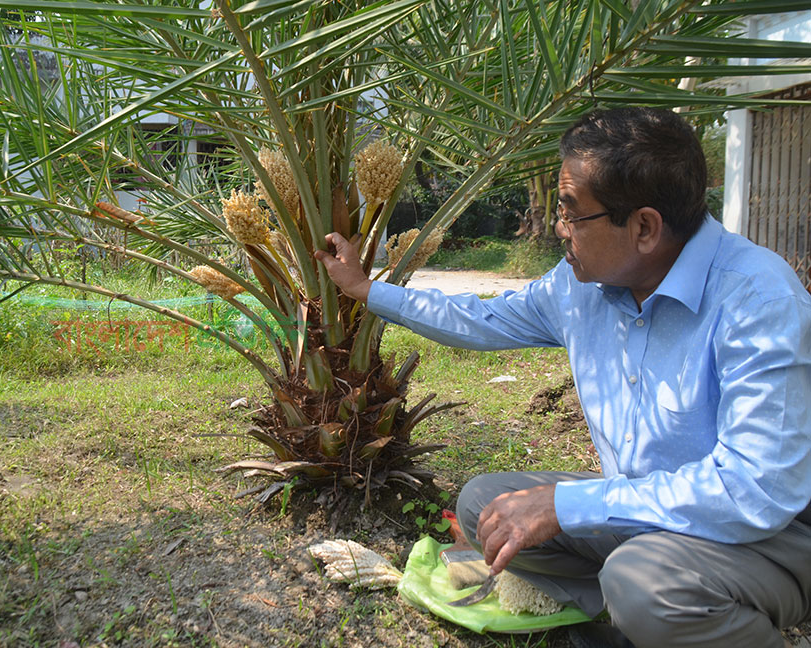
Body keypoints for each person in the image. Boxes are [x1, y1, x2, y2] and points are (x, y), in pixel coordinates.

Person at [315, 107, 811, 648]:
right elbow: (482, 317)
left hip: (763, 540)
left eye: (573, 213)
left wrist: (563, 505)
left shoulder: (757, 299)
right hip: (641, 518)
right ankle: (645, 617)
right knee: (487, 506)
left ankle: (675, 613)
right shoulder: (580, 287)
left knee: (643, 582)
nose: (558, 229)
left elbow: (754, 490)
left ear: (644, 226)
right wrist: (367, 291)